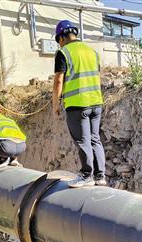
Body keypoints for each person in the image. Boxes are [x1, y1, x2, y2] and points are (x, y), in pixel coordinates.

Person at [52, 20, 107, 188]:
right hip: (96, 102)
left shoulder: (63, 53)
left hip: (77, 105)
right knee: (95, 139)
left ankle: (86, 175)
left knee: (83, 141)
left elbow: (58, 80)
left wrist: (55, 104)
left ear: (61, 38)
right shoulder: (92, 52)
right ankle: (100, 176)